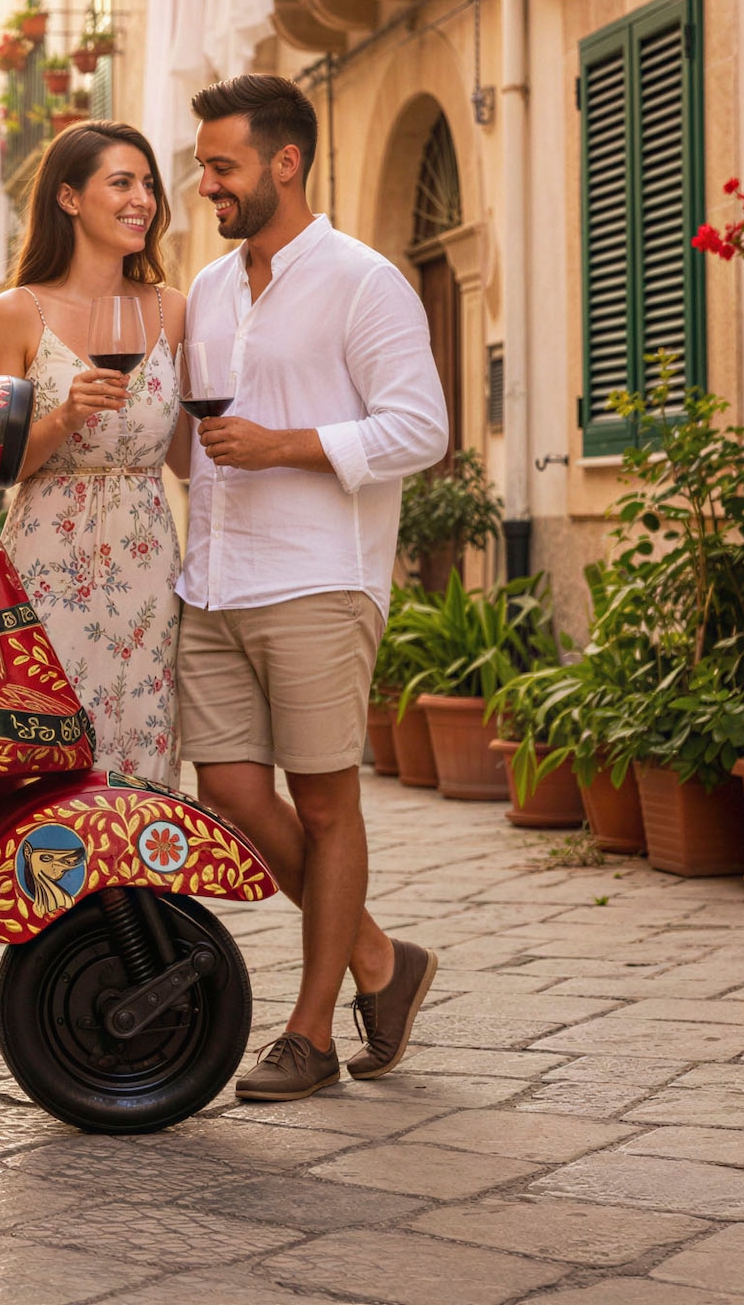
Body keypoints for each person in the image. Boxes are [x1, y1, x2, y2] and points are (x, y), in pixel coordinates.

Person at [176, 75, 450, 1102]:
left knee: (328, 807)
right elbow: (196, 442)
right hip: (215, 581)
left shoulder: (365, 281)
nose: (206, 184)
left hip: (317, 581)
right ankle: (381, 960)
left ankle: (312, 1030)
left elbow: (421, 428)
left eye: (222, 165)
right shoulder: (209, 288)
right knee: (235, 795)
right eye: (206, 165)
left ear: (284, 163)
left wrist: (287, 445)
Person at [0, 121, 192, 784]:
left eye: (148, 184)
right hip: (46, 567)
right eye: (120, 183)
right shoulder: (16, 314)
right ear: (68, 198)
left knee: (142, 750)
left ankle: (136, 891)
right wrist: (65, 416)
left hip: (149, 564)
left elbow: (187, 459)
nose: (142, 200)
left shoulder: (172, 312)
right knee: (51, 753)